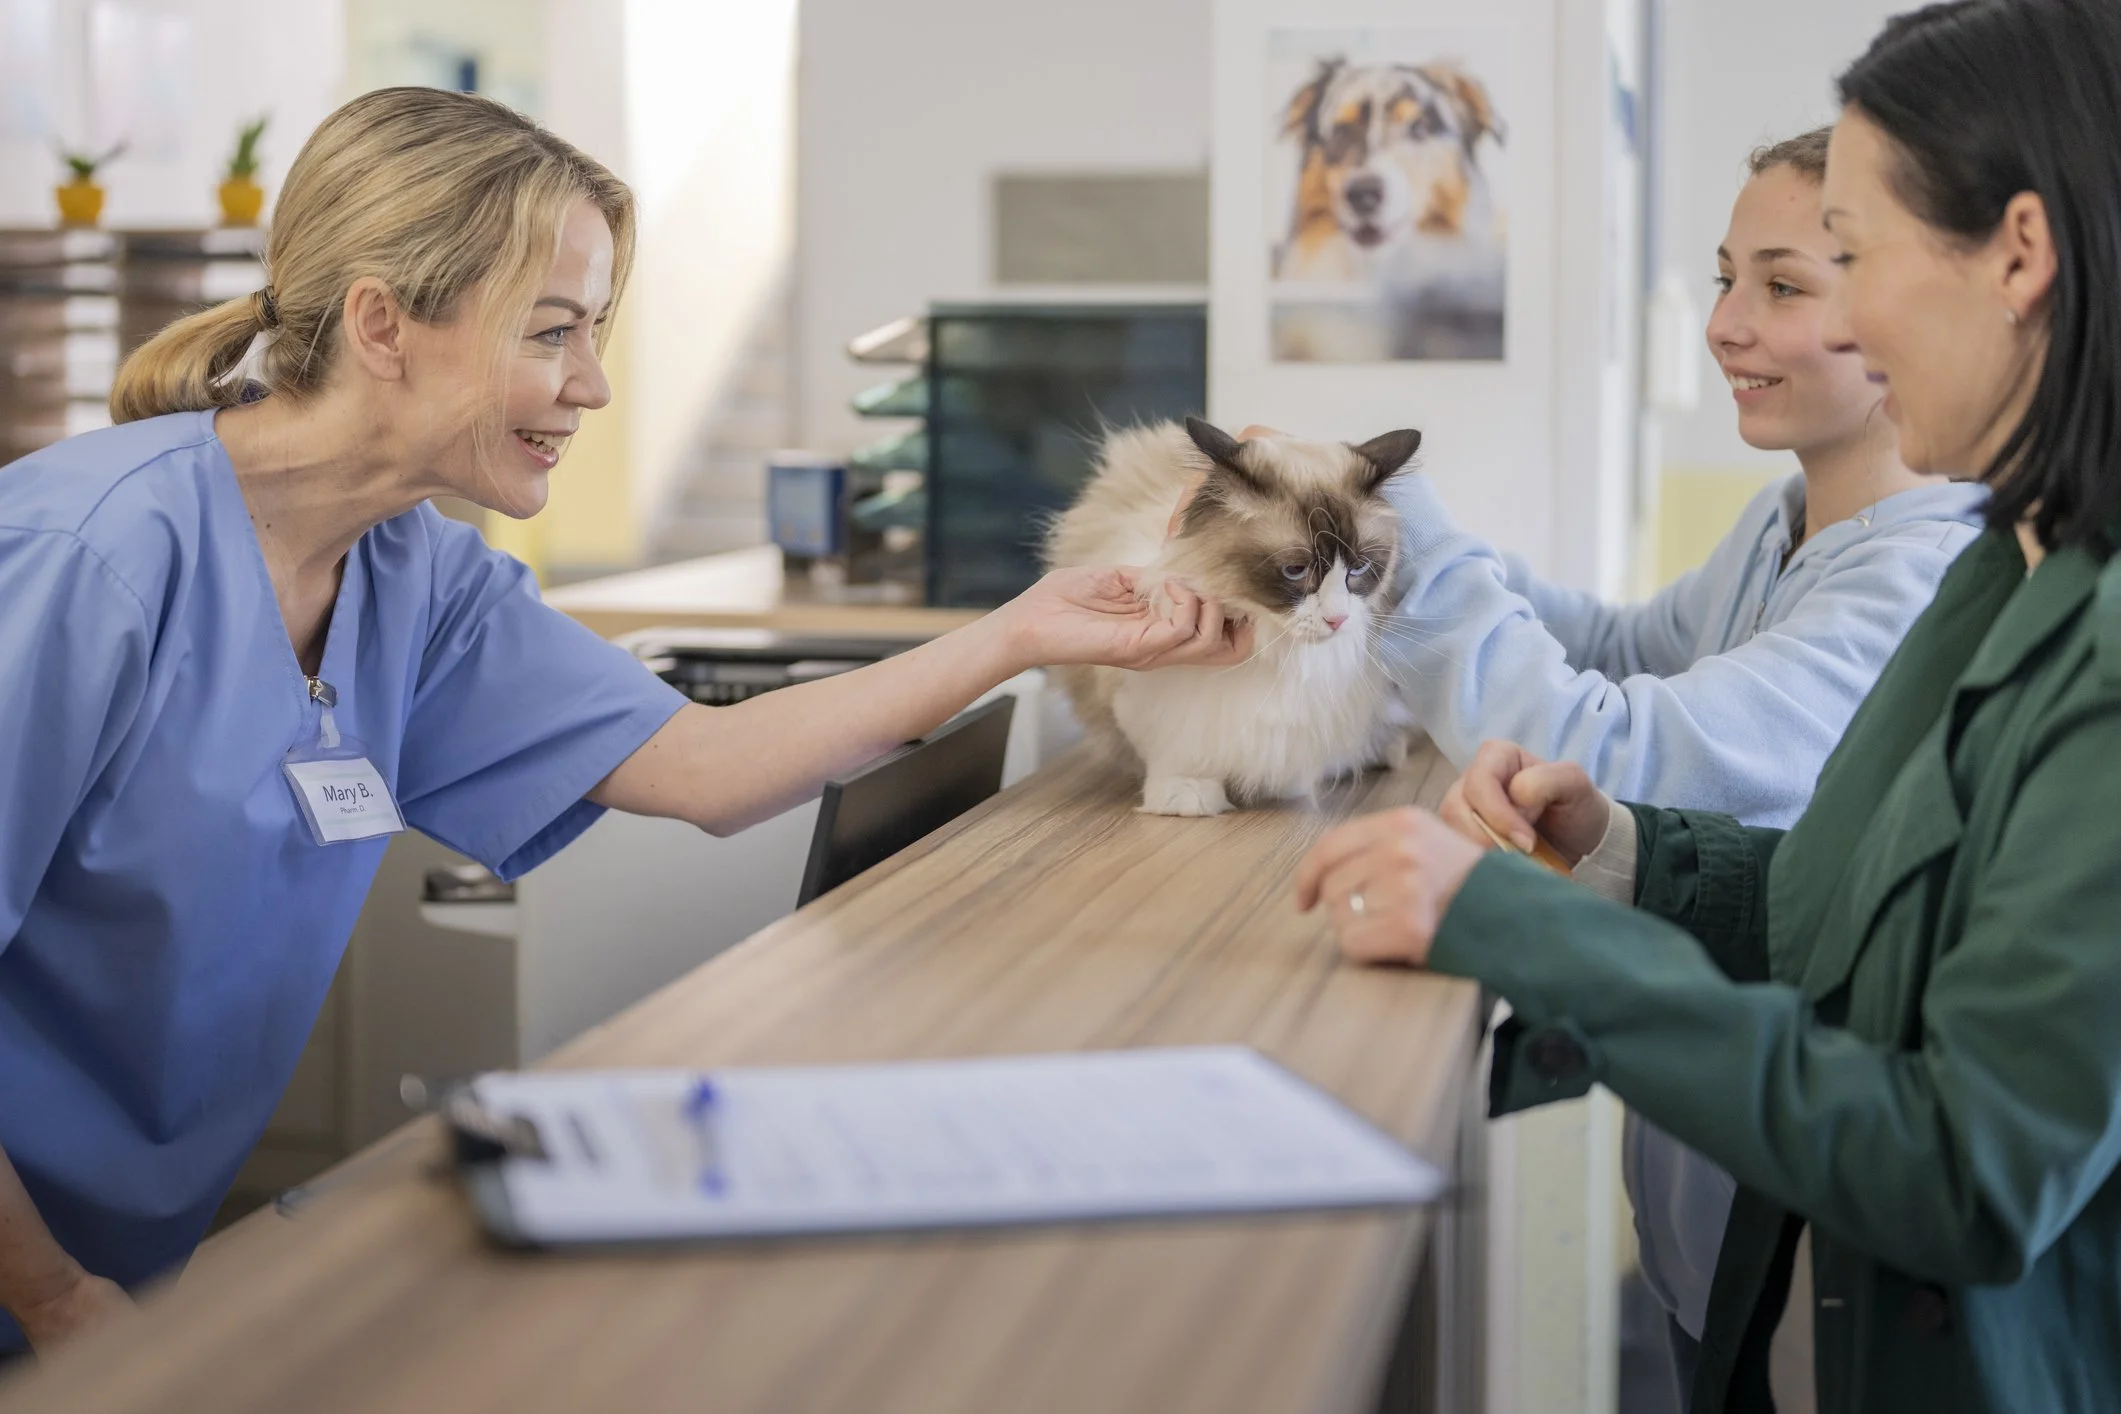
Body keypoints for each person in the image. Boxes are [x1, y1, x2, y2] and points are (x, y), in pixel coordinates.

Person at [0, 87, 1246, 1361]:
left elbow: (704, 765)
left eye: (592, 332)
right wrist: (51, 1299)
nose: (591, 385)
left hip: (112, 1281)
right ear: (382, 324)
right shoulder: (84, 559)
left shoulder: (415, 575)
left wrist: (1023, 630)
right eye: (553, 331)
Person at [1297, 1, 2121, 1410]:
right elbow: (1830, 908)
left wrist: (1520, 924)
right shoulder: (2006, 568)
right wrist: (1623, 847)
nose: (1838, 322)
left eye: (1848, 259)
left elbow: (1965, 1169)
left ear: (2020, 254)